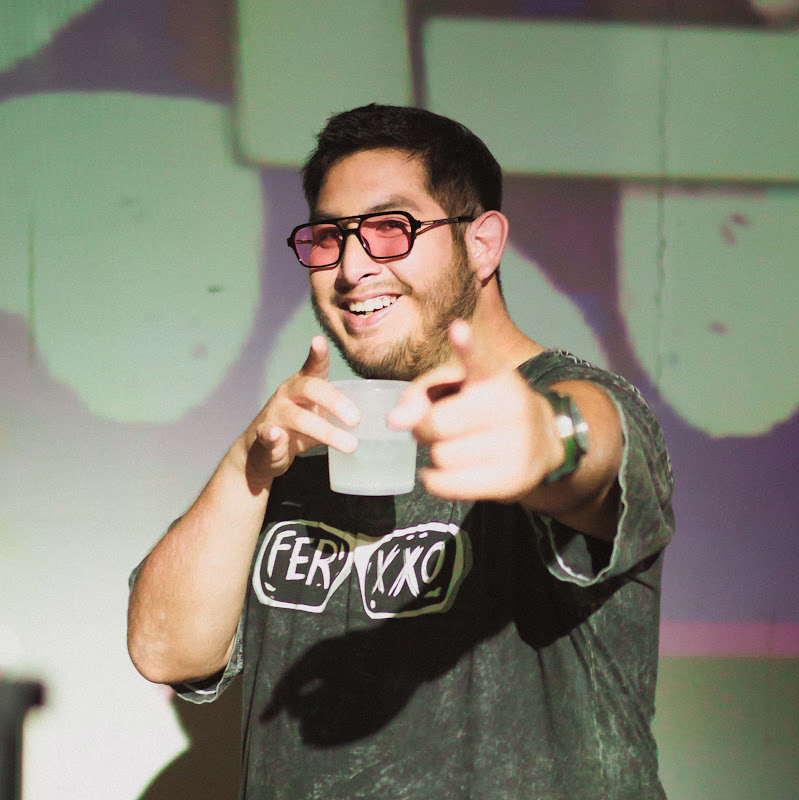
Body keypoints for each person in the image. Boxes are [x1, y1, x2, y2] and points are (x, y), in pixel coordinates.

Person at [128, 104, 674, 800]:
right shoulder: (303, 451)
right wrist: (247, 466)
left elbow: (598, 451)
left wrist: (549, 439)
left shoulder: (565, 403)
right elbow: (166, 651)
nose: (352, 268)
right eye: (329, 237)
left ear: (482, 244)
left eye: (392, 229)